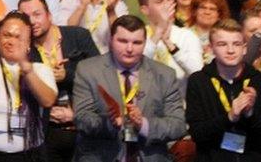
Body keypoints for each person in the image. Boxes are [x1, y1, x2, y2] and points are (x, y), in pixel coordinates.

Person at [72, 15, 187, 162]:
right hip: (102, 155)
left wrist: (143, 124)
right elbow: (81, 119)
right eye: (123, 41)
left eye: (137, 42)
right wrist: (110, 123)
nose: (129, 48)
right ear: (111, 41)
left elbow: (178, 125)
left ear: (145, 43)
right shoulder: (89, 70)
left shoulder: (164, 74)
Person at [19, 0, 99, 162]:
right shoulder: (24, 51)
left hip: (83, 129)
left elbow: (99, 78)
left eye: (37, 14)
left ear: (49, 15)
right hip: (47, 133)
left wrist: (67, 75)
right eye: (26, 17)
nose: (32, 21)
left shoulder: (78, 36)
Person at [0, 11, 58, 161]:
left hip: (29, 154)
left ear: (29, 44)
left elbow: (48, 101)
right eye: (6, 35)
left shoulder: (39, 69)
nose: (11, 41)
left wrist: (24, 64)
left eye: (18, 37)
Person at [186, 19, 261, 160]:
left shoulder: (258, 80)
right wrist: (230, 117)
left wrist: (250, 114)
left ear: (245, 48)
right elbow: (197, 134)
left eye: (236, 44)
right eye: (222, 44)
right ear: (211, 48)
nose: (231, 50)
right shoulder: (198, 81)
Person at [138, 0, 203, 92]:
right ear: (145, 10)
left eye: (169, 0)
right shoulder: (137, 35)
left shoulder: (186, 35)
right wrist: (158, 33)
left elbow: (197, 73)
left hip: (179, 104)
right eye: (160, 2)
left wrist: (170, 44)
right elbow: (135, 66)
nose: (167, 5)